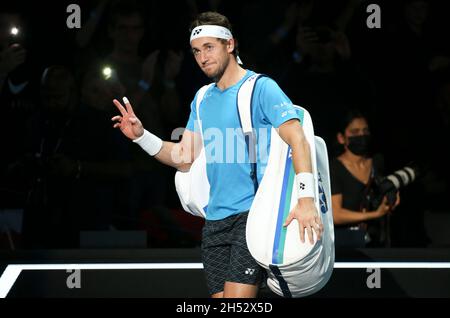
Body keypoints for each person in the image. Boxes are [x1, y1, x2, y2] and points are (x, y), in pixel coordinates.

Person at [111, 12, 323, 298]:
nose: (202, 57)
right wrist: (141, 137)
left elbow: (298, 139)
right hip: (214, 223)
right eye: (197, 51)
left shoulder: (261, 88)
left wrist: (306, 198)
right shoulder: (201, 98)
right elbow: (184, 157)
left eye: (209, 47)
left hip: (253, 217)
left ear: (230, 44)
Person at [330, 109, 400, 248]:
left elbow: (386, 187)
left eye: (365, 131)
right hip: (346, 246)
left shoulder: (377, 161)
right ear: (341, 138)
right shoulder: (334, 168)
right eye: (355, 132)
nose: (361, 135)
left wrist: (392, 196)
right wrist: (374, 214)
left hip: (378, 244)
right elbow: (336, 215)